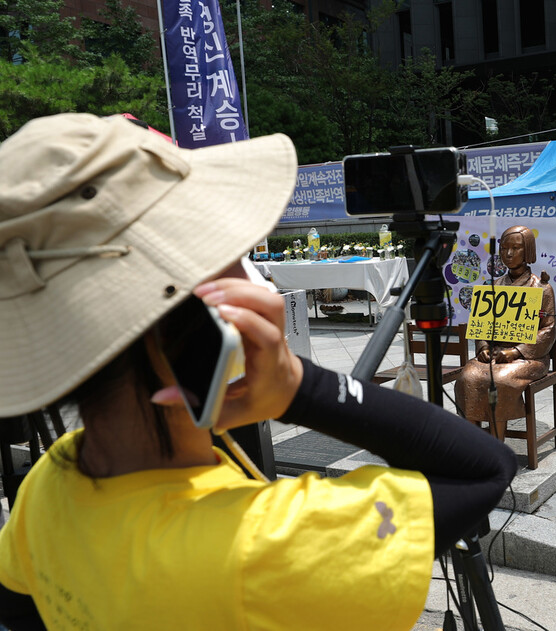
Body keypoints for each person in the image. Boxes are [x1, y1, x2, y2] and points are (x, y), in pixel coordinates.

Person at [0, 113, 517, 630]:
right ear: (200, 313)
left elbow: (20, 610)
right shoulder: (268, 547)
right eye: (217, 246)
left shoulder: (50, 484)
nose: (249, 268)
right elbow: (484, 468)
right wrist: (298, 385)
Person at [455, 225, 556, 441]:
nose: (509, 254)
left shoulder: (541, 288)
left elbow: (548, 330)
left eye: (516, 248)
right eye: (504, 248)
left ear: (528, 251)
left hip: (528, 358)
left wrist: (516, 352)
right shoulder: (494, 285)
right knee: (467, 377)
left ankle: (496, 444)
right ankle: (472, 442)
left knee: (499, 380)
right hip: (494, 354)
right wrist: (482, 346)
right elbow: (481, 323)